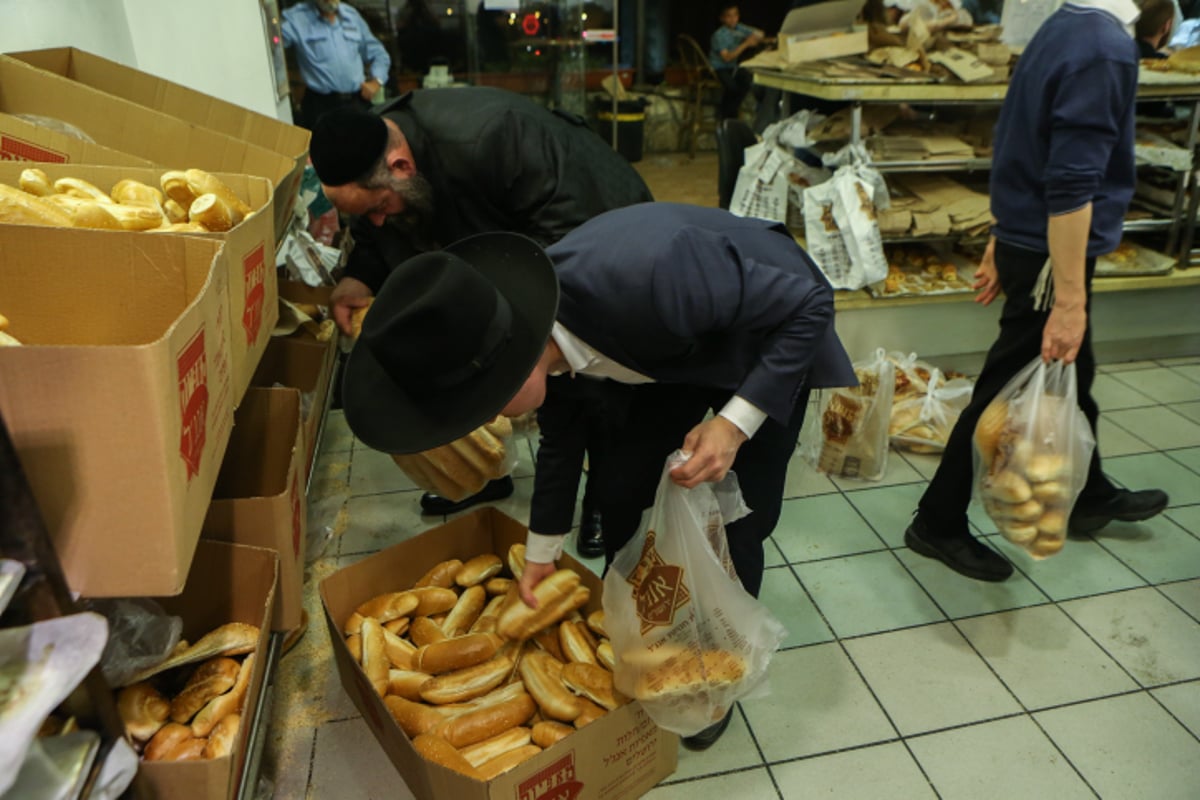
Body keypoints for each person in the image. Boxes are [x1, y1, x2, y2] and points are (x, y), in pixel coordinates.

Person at [339, 202, 856, 749]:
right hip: (667, 356)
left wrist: (734, 423)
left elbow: (809, 300)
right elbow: (561, 439)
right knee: (621, 491)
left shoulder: (655, 274)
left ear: (511, 362)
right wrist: (542, 551)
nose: (488, 421)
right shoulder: (536, 337)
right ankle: (642, 646)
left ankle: (711, 683)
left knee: (735, 523)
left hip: (764, 343)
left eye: (481, 405)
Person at [307, 92, 652, 550]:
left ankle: (604, 500)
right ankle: (493, 472)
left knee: (582, 382)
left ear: (402, 167)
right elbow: (378, 231)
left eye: (377, 207)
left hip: (596, 231)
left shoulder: (496, 136)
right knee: (467, 358)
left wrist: (514, 330)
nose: (376, 221)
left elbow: (571, 237)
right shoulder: (377, 165)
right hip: (499, 245)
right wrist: (358, 277)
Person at [904, 0, 1169, 583]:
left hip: (1035, 239)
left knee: (1081, 374)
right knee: (1001, 389)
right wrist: (1069, 299)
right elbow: (1072, 181)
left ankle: (1091, 492)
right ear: (1163, 22)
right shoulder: (1105, 47)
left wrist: (1003, 234)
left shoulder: (1066, 22)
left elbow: (1020, 135)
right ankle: (937, 521)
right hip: (1054, 251)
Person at [281, 0, 391, 129]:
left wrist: (376, 81)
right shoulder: (297, 18)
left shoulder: (352, 15)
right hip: (321, 106)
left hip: (356, 102)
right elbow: (272, 46)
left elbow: (378, 54)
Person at [710, 3, 768, 120]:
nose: (733, 19)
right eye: (728, 16)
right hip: (720, 67)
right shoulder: (719, 35)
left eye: (735, 15)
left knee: (747, 80)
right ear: (722, 19)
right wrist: (746, 44)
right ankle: (725, 115)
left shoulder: (739, 28)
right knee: (732, 87)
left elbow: (760, 34)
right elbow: (727, 58)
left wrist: (753, 37)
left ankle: (730, 113)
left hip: (733, 67)